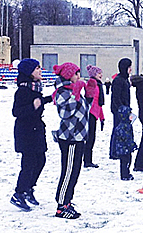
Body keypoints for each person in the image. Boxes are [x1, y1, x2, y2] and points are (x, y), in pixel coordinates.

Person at [10, 58, 52, 212]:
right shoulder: (22, 91)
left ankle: (29, 188)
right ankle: (19, 193)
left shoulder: (34, 89)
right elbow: (17, 112)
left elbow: (39, 101)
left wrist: (50, 99)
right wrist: (32, 106)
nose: (40, 71)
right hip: (26, 132)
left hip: (36, 130)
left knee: (40, 160)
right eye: (36, 69)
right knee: (28, 164)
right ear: (29, 72)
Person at [53, 62, 90, 219]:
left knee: (75, 171)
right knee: (68, 171)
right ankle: (61, 205)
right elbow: (65, 113)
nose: (79, 77)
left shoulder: (72, 90)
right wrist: (75, 94)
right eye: (76, 74)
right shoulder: (62, 91)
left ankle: (68, 201)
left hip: (78, 137)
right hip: (70, 138)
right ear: (68, 75)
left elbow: (82, 109)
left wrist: (88, 95)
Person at [110, 58, 134, 180]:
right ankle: (115, 152)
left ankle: (116, 152)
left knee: (123, 136)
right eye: (129, 67)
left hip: (125, 111)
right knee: (121, 136)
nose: (131, 69)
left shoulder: (124, 80)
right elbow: (116, 98)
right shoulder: (118, 81)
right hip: (120, 113)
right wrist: (122, 111)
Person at [83, 65, 105, 168]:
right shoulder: (92, 84)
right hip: (90, 114)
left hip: (95, 113)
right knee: (89, 138)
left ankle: (88, 159)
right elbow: (91, 100)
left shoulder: (99, 85)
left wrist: (101, 117)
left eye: (101, 73)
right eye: (98, 73)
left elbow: (99, 103)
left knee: (92, 137)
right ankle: (87, 160)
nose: (100, 75)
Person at [110, 105, 138, 180]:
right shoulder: (123, 127)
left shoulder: (127, 125)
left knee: (128, 161)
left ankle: (126, 173)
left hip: (125, 148)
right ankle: (124, 175)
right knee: (125, 162)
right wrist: (131, 145)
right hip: (123, 149)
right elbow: (126, 138)